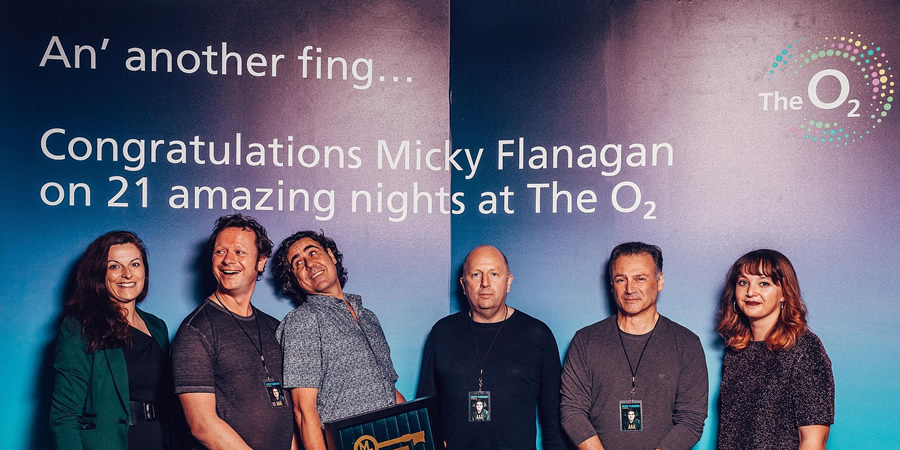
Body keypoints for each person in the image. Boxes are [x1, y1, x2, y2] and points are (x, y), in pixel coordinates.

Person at [560, 242, 708, 450]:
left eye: (640, 278)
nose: (630, 289)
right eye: (621, 280)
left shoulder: (686, 343)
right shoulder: (586, 340)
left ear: (660, 281)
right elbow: (572, 411)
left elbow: (691, 420)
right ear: (612, 285)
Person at [417, 245, 566, 450]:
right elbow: (425, 411)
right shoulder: (441, 333)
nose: (485, 283)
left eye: (494, 274)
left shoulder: (538, 335)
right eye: (476, 274)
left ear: (508, 282)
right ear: (463, 284)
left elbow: (554, 421)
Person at [172, 214, 294, 449]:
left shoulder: (274, 327)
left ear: (260, 262)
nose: (228, 260)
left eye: (240, 252)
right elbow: (202, 425)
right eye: (220, 252)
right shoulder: (195, 330)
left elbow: (291, 408)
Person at [273, 230, 404, 450]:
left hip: (391, 441)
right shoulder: (302, 321)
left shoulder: (368, 317)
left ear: (331, 256)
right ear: (295, 279)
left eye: (313, 253)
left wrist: (425, 431)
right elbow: (304, 411)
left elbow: (389, 391)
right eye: (298, 263)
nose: (309, 264)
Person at [50, 230, 175, 449]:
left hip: (157, 441)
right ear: (99, 274)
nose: (127, 274)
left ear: (144, 271)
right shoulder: (80, 327)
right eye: (114, 266)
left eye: (135, 264)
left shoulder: (157, 327)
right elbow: (65, 416)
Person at [716, 249, 834, 449]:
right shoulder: (736, 350)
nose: (751, 292)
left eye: (764, 283)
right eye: (743, 282)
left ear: (784, 294)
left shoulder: (805, 349)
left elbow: (814, 441)